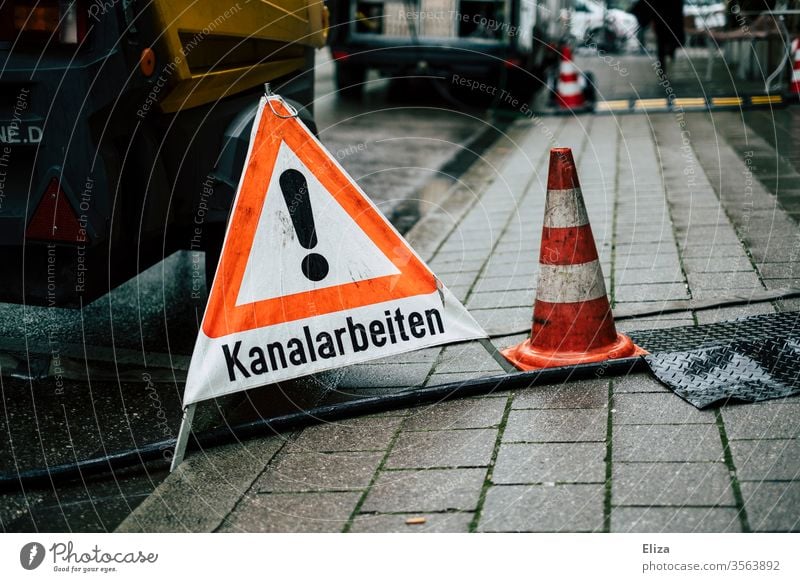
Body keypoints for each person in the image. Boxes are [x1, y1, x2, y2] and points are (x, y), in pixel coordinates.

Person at [630, 0, 685, 71]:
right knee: (664, 41)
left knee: (662, 43)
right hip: (668, 18)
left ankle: (663, 65)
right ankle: (667, 58)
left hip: (663, 18)